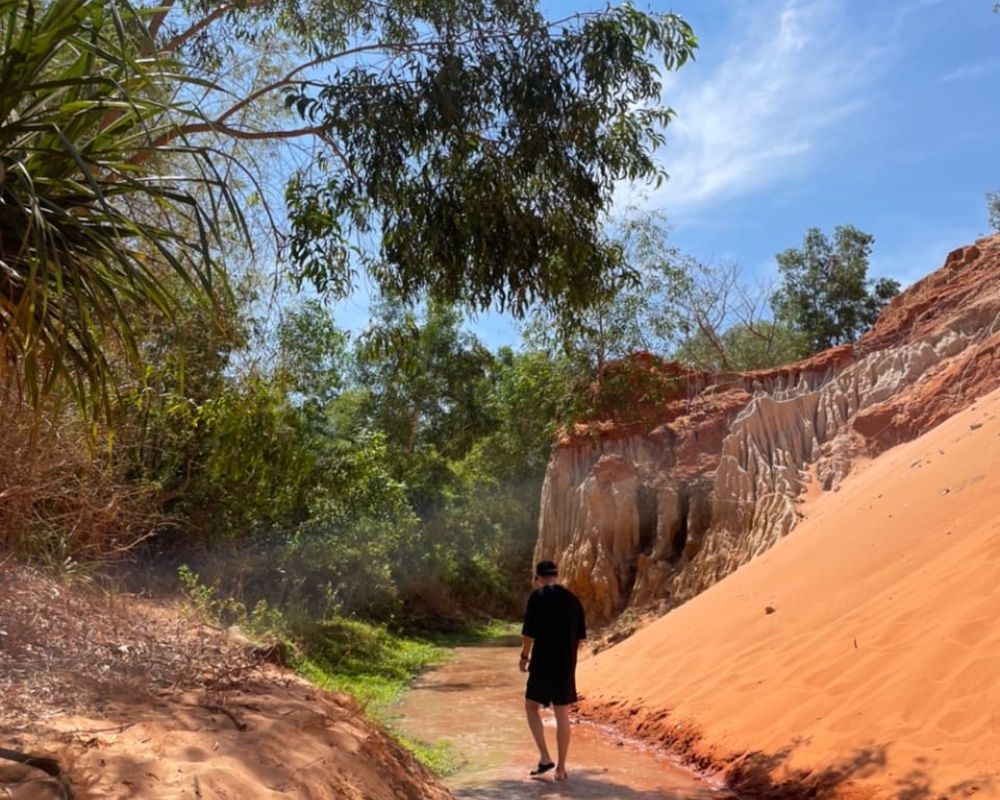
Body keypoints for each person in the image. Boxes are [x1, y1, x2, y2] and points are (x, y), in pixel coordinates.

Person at [519, 559, 587, 781]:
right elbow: (580, 640)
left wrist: (524, 657)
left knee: (531, 707)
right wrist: (569, 660)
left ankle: (545, 758)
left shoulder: (537, 597)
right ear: (556, 575)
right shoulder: (573, 599)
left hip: (542, 663)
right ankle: (562, 768)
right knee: (562, 714)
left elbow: (529, 634)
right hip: (566, 664)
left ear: (538, 577)